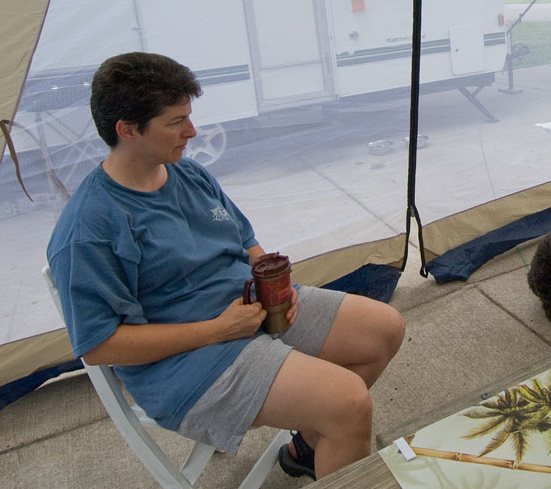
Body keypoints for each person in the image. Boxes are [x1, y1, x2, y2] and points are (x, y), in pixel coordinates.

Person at [46, 52, 405, 481]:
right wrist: (217, 330)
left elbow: (246, 241)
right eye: (176, 122)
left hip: (249, 311)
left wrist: (277, 287)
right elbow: (100, 345)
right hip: (184, 361)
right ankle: (332, 432)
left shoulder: (188, 175)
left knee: (384, 329)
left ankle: (309, 447)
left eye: (189, 117)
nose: (192, 132)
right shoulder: (90, 226)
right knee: (347, 403)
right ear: (128, 130)